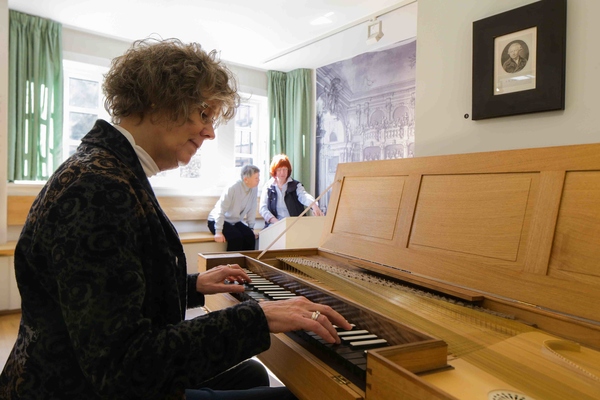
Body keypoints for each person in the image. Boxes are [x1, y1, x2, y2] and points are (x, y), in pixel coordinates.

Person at [0, 38, 351, 400]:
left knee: (251, 373)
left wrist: (192, 286)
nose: (210, 132)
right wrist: (257, 318)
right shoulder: (97, 188)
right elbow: (125, 367)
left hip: (81, 375)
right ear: (159, 99)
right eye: (203, 115)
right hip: (74, 390)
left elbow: (107, 295)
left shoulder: (107, 167)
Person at [259, 154, 324, 228]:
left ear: (288, 170)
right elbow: (263, 209)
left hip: (294, 224)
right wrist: (275, 221)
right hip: (274, 224)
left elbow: (304, 196)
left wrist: (314, 205)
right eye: (279, 169)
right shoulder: (268, 187)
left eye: (285, 169)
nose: (282, 172)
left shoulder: (296, 185)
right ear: (274, 171)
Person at [207, 164, 260, 251]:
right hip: (216, 220)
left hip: (234, 221)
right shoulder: (233, 188)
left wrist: (251, 228)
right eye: (256, 178)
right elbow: (221, 210)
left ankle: (246, 264)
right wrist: (218, 232)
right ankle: (230, 264)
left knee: (249, 236)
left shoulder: (254, 189)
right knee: (236, 237)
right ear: (246, 179)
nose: (259, 180)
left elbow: (252, 209)